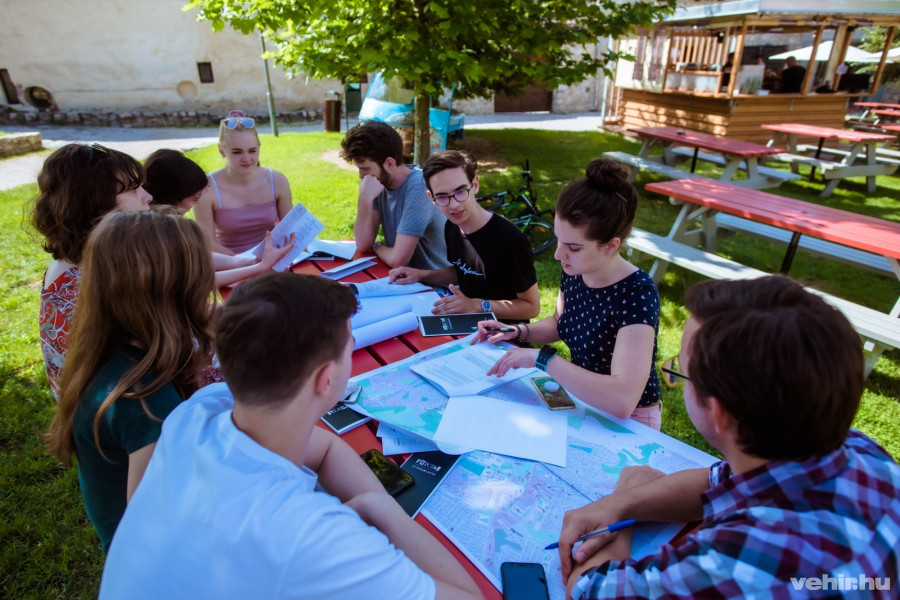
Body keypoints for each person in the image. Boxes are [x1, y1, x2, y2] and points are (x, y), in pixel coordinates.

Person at [99, 272, 483, 600]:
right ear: (326, 379)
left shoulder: (199, 410)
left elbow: (326, 448)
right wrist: (382, 508)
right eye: (349, 347)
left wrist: (372, 498)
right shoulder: (311, 535)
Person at [557, 276, 900, 600]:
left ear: (719, 412)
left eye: (680, 371)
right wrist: (622, 504)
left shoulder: (738, 563)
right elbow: (717, 481)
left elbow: (590, 589)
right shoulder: (858, 449)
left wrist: (621, 517)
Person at [44, 209, 217, 553]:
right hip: (156, 561)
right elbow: (156, 533)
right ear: (175, 294)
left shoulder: (110, 353)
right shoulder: (145, 403)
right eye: (202, 278)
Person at [474, 158, 662, 429]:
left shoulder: (636, 294)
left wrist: (543, 360)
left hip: (631, 423)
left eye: (573, 247)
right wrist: (517, 331)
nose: (558, 254)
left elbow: (622, 400)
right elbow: (561, 323)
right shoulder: (576, 269)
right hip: (582, 401)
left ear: (611, 246)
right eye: (559, 239)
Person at [32, 143, 152, 398]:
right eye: (133, 189)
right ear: (95, 202)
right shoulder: (91, 281)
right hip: (113, 408)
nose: (147, 196)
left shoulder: (85, 260)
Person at [388, 150, 540, 322]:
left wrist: (477, 305)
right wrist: (421, 275)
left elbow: (532, 307)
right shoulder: (452, 226)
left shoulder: (510, 240)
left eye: (460, 191)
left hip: (503, 333)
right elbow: (464, 271)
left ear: (475, 185)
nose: (454, 205)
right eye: (442, 196)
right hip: (465, 323)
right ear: (431, 197)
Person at [144, 148, 295, 287]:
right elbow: (199, 280)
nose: (197, 203)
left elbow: (200, 257)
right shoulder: (163, 233)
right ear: (172, 195)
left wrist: (252, 262)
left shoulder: (158, 222)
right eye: (194, 198)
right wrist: (259, 267)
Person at [341, 120, 450, 270]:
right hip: (403, 278)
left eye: (365, 169)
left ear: (390, 163)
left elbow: (398, 260)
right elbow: (363, 244)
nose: (361, 176)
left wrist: (377, 246)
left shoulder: (419, 186)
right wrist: (364, 199)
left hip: (434, 282)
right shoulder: (379, 183)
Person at [194, 110, 294, 254]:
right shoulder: (206, 188)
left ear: (259, 147)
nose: (246, 158)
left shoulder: (277, 181)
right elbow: (207, 244)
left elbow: (290, 231)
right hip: (228, 261)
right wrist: (247, 262)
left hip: (272, 258)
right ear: (222, 150)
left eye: (252, 151)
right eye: (237, 152)